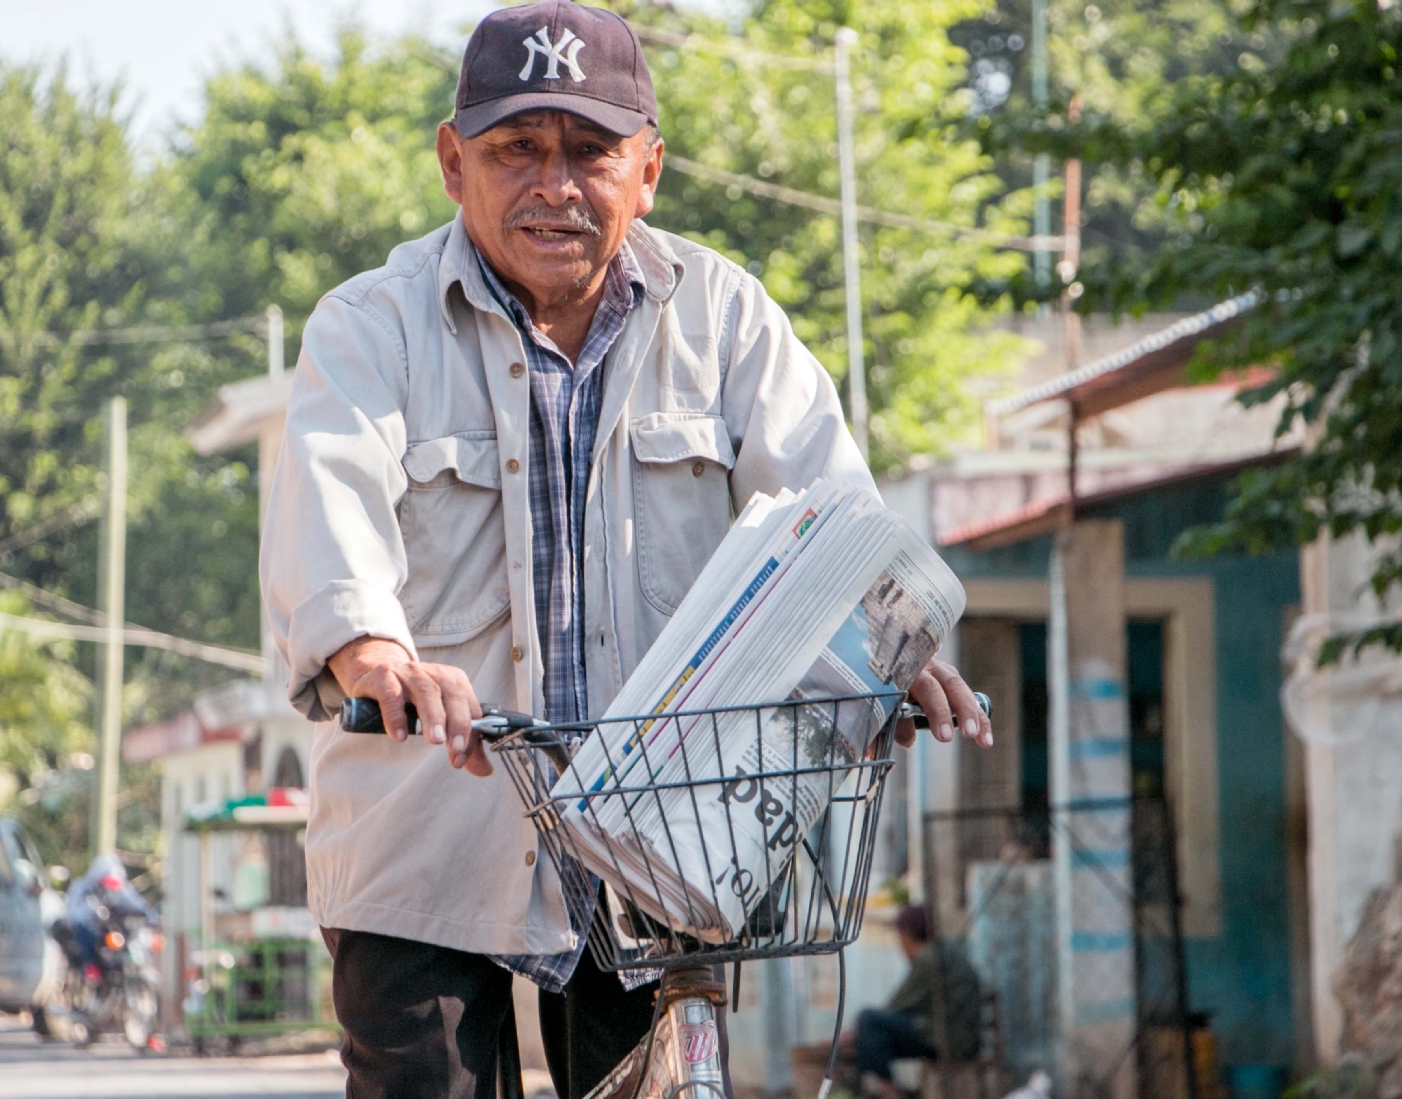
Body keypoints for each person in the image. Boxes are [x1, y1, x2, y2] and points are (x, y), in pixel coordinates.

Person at [258, 2, 994, 1096]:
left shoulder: (729, 321)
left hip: (663, 839)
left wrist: (889, 640)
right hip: (422, 829)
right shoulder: (371, 327)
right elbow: (330, 505)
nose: (553, 184)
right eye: (517, 150)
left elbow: (832, 519)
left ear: (646, 171)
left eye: (590, 152)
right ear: (453, 164)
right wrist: (374, 654)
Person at [854, 905, 984, 1097]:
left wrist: (855, 1032)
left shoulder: (928, 958)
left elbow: (898, 1005)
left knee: (868, 1021)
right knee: (871, 1034)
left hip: (949, 1040)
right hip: (958, 1038)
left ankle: (890, 1093)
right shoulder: (942, 953)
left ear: (907, 936)